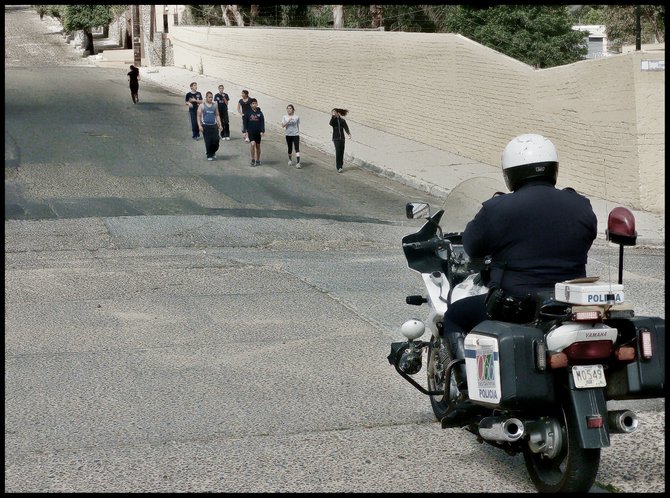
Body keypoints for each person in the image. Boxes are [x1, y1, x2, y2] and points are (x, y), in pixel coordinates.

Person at [439, 133, 598, 426]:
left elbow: (472, 247)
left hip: (516, 303)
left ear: (510, 174)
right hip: (569, 303)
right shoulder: (581, 205)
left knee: (455, 316)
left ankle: (466, 392)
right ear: (553, 168)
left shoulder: (499, 209)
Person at [197, 91, 223, 160]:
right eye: (209, 97)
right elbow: (198, 116)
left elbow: (217, 115)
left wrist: (220, 125)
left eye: (211, 97)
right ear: (206, 97)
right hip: (205, 126)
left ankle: (213, 151)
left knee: (216, 141)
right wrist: (200, 126)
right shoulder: (202, 105)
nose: (211, 99)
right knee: (208, 141)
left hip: (214, 125)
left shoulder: (214, 105)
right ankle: (209, 155)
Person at [242, 98, 265, 166]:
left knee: (258, 146)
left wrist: (262, 131)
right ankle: (252, 159)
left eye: (255, 103)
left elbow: (262, 122)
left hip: (258, 132)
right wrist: (244, 131)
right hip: (250, 132)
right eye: (253, 103)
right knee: (252, 144)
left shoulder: (260, 113)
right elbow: (245, 122)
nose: (254, 105)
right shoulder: (248, 113)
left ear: (257, 104)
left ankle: (258, 160)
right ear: (251, 105)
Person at [329, 108, 351, 173]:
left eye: (334, 112)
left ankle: (341, 166)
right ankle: (338, 167)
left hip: (342, 138)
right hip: (336, 138)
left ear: (338, 113)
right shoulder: (334, 121)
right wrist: (333, 116)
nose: (334, 114)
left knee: (342, 152)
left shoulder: (342, 121)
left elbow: (346, 127)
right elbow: (330, 123)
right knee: (338, 152)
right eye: (333, 113)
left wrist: (349, 133)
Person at [281, 104, 301, 168]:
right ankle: (290, 159)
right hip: (288, 134)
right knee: (290, 148)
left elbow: (297, 125)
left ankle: (298, 162)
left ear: (293, 110)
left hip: (295, 134)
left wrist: (297, 132)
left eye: (290, 108)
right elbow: (283, 126)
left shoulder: (297, 117)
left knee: (297, 148)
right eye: (288, 108)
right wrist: (288, 121)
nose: (289, 110)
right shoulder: (284, 117)